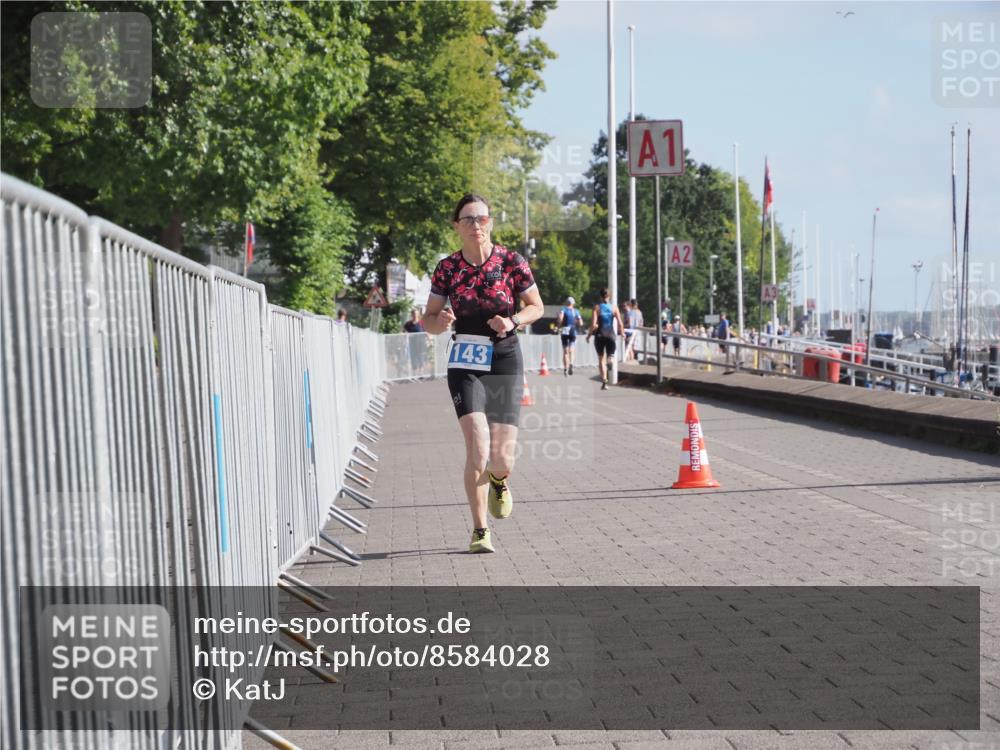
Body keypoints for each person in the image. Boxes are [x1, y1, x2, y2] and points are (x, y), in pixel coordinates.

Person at [423, 193, 544, 553]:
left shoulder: (511, 261)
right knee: (477, 443)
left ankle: (499, 480)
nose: (476, 225)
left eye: (481, 218)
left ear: (490, 222)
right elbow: (428, 321)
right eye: (468, 220)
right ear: (456, 226)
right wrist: (440, 321)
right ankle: (479, 530)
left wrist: (513, 320)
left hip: (505, 356)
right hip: (465, 358)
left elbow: (536, 306)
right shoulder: (447, 268)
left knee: (502, 457)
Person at [586, 288, 625, 390]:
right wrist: (623, 333)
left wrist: (589, 335)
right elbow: (620, 323)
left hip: (600, 335)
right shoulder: (614, 308)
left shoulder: (597, 308)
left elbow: (594, 325)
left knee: (600, 359)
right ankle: (610, 360)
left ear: (600, 296)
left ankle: (604, 380)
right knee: (610, 355)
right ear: (609, 296)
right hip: (611, 335)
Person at [557, 296, 583, 375]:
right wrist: (578, 324)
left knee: (565, 352)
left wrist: (559, 325)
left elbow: (560, 318)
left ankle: (565, 368)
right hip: (573, 331)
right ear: (573, 304)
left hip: (565, 330)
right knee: (572, 350)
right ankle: (571, 363)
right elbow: (581, 322)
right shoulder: (576, 311)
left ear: (566, 303)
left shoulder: (563, 310)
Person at [403, 309, 428, 373]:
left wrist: (428, 338)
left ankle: (421, 373)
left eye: (416, 314)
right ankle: (415, 373)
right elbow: (404, 332)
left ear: (418, 315)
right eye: (414, 314)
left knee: (421, 358)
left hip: (421, 344)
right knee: (413, 358)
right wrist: (406, 334)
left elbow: (426, 333)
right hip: (412, 344)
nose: (415, 315)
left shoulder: (421, 323)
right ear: (411, 315)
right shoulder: (408, 324)